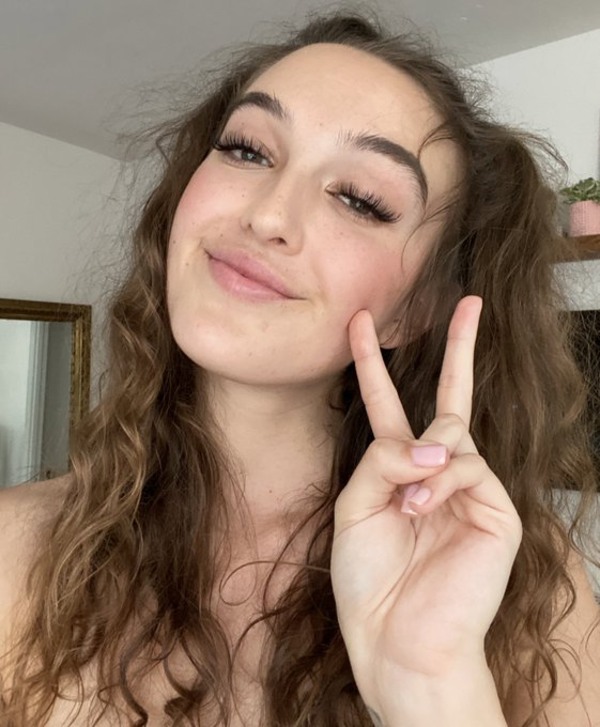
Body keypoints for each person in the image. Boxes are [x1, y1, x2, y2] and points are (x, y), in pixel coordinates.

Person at [1, 10, 599, 727]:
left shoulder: (530, 583)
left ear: (417, 308)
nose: (267, 215)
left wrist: (433, 685)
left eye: (360, 200)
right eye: (247, 149)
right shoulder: (15, 549)